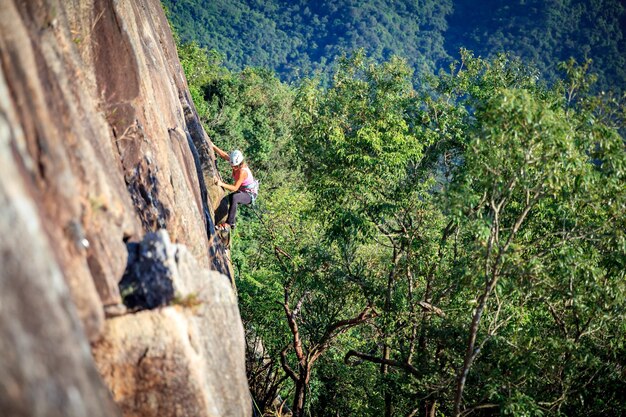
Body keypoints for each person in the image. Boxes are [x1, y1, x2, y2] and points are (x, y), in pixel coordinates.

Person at [212, 143, 258, 231]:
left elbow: (235, 188)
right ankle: (232, 221)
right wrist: (213, 146)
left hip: (249, 194)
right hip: (243, 190)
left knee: (235, 197)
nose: (233, 167)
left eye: (235, 166)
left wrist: (221, 184)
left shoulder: (242, 172)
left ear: (240, 164)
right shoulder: (235, 161)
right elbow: (224, 155)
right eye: (232, 165)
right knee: (226, 199)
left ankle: (228, 224)